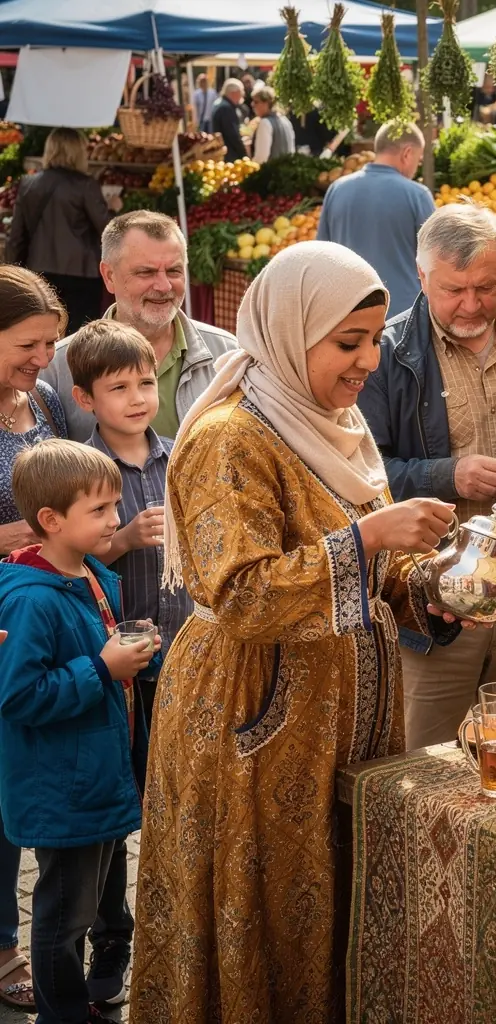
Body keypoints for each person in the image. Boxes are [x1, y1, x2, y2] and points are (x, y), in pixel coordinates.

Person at [130, 242, 475, 1023]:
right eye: (346, 343)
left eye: (375, 339)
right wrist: (374, 539)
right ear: (289, 333)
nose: (368, 363)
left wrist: (429, 589)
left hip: (343, 728)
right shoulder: (231, 437)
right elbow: (243, 593)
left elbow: (373, 571)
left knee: (332, 909)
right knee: (261, 914)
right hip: (252, 722)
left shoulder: (332, 422)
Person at [361, 205, 496, 748]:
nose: (472, 305)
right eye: (454, 290)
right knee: (427, 760)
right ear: (421, 278)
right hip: (437, 612)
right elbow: (365, 478)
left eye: (487, 287)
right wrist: (450, 475)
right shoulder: (389, 354)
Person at [0, 438, 159, 1024]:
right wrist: (102, 667)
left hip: (101, 776)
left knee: (106, 894)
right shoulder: (29, 602)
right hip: (60, 788)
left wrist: (137, 658)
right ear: (51, 520)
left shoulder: (92, 575)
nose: (116, 520)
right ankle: (61, 1012)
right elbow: (18, 696)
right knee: (64, 915)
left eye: (115, 505)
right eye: (99, 510)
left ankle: (104, 980)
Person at [0, 266, 70, 1013]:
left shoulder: (42, 401)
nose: (42, 356)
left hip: (42, 622)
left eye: (50, 341)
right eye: (28, 343)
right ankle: (2, 950)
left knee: (21, 787)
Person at [67, 320, 192, 728]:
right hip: (124, 657)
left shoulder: (182, 458)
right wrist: (125, 538)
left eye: (146, 383)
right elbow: (72, 556)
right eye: (119, 388)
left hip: (188, 649)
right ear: (85, 398)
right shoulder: (80, 470)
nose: (137, 399)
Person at [42, 211, 238, 441]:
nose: (164, 286)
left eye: (174, 271)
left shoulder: (226, 353)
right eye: (146, 272)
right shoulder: (57, 367)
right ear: (109, 276)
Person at [5, 128, 122, 332]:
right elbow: (108, 229)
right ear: (79, 152)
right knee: (80, 337)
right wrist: (113, 208)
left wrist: (11, 273)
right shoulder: (85, 185)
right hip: (81, 273)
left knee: (41, 333)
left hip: (39, 272)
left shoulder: (29, 184)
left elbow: (16, 236)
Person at [317, 122, 435, 317]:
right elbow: (438, 261)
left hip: (347, 316)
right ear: (407, 153)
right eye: (418, 160)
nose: (417, 166)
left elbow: (321, 256)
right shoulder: (417, 195)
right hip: (403, 320)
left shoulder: (336, 190)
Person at [250, 85, 296, 164]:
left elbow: (261, 157)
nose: (252, 105)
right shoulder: (286, 121)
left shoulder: (265, 123)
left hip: (271, 173)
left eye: (256, 102)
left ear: (266, 103)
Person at [211, 79, 247, 162]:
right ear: (233, 93)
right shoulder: (226, 108)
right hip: (229, 155)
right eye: (241, 92)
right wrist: (244, 155)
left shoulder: (219, 104)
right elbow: (233, 134)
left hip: (223, 151)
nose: (242, 95)